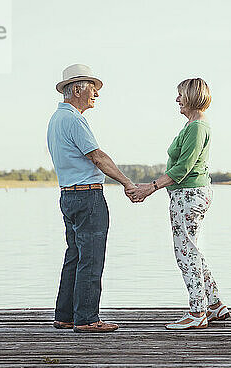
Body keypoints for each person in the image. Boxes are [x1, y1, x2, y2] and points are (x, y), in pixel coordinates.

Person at [127, 78, 230, 330]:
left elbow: (183, 169)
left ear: (193, 96)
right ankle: (215, 305)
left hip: (188, 195)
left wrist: (150, 188)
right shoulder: (193, 126)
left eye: (180, 94)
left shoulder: (196, 128)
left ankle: (197, 313)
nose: (177, 99)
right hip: (190, 194)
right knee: (192, 249)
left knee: (185, 252)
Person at [47, 64, 136, 333]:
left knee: (74, 255)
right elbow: (97, 156)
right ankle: (86, 318)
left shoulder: (55, 119)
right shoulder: (74, 120)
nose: (96, 94)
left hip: (68, 196)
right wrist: (127, 182)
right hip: (88, 198)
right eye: (92, 88)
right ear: (76, 89)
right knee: (91, 258)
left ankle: (65, 315)